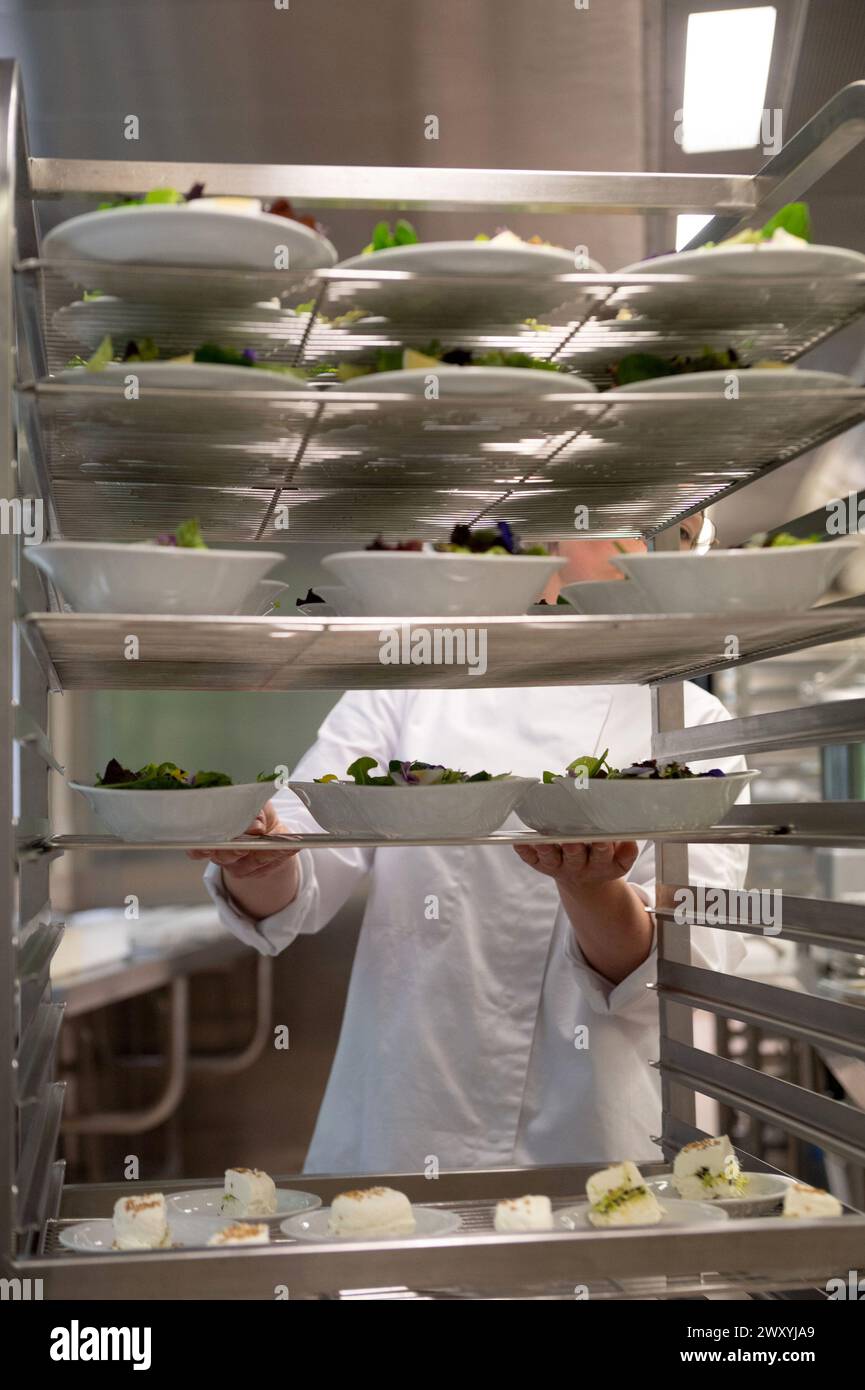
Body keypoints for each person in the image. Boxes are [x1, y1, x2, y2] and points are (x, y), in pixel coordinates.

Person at [193, 516, 748, 1174]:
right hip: (411, 1105)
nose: (645, 555)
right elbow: (299, 873)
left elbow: (680, 968)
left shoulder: (690, 722)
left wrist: (590, 889)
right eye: (613, 528)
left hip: (592, 1127)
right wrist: (257, 860)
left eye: (668, 538)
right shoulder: (410, 689)